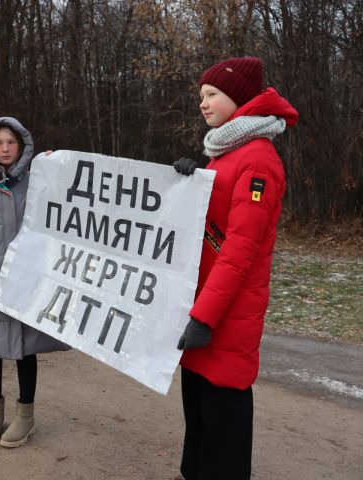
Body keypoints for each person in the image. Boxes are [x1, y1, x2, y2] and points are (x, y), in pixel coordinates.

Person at [173, 57, 298, 479]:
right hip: (203, 309)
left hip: (225, 316)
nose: (203, 104)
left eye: (211, 95)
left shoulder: (257, 160)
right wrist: (188, 183)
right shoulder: (224, 154)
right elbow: (207, 225)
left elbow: (239, 250)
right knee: (199, 420)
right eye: (201, 97)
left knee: (223, 425)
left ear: (238, 98)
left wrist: (204, 317)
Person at [0, 117, 69, 447]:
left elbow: (66, 214)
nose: (5, 149)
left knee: (25, 350)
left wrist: (57, 170)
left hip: (27, 288)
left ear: (22, 145)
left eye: (11, 142)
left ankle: (25, 415)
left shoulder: (39, 184)